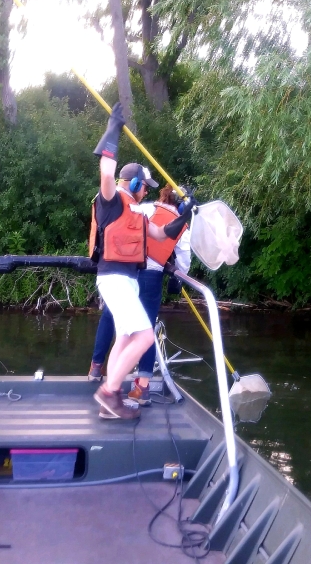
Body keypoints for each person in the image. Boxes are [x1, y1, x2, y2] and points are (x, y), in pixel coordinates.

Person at [89, 103, 193, 420]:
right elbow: (107, 172)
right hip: (115, 278)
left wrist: (185, 215)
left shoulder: (135, 211)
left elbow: (161, 234)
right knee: (145, 336)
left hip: (128, 282)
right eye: (144, 186)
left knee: (124, 336)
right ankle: (109, 392)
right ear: (134, 184)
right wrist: (113, 130)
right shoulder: (112, 200)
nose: (146, 191)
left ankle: (111, 397)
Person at [88, 184, 191, 407]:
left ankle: (96, 367)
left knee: (110, 317)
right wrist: (175, 271)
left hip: (130, 271)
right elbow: (184, 262)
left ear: (164, 194)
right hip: (152, 277)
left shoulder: (144, 208)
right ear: (183, 204)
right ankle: (142, 387)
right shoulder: (184, 227)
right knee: (147, 328)